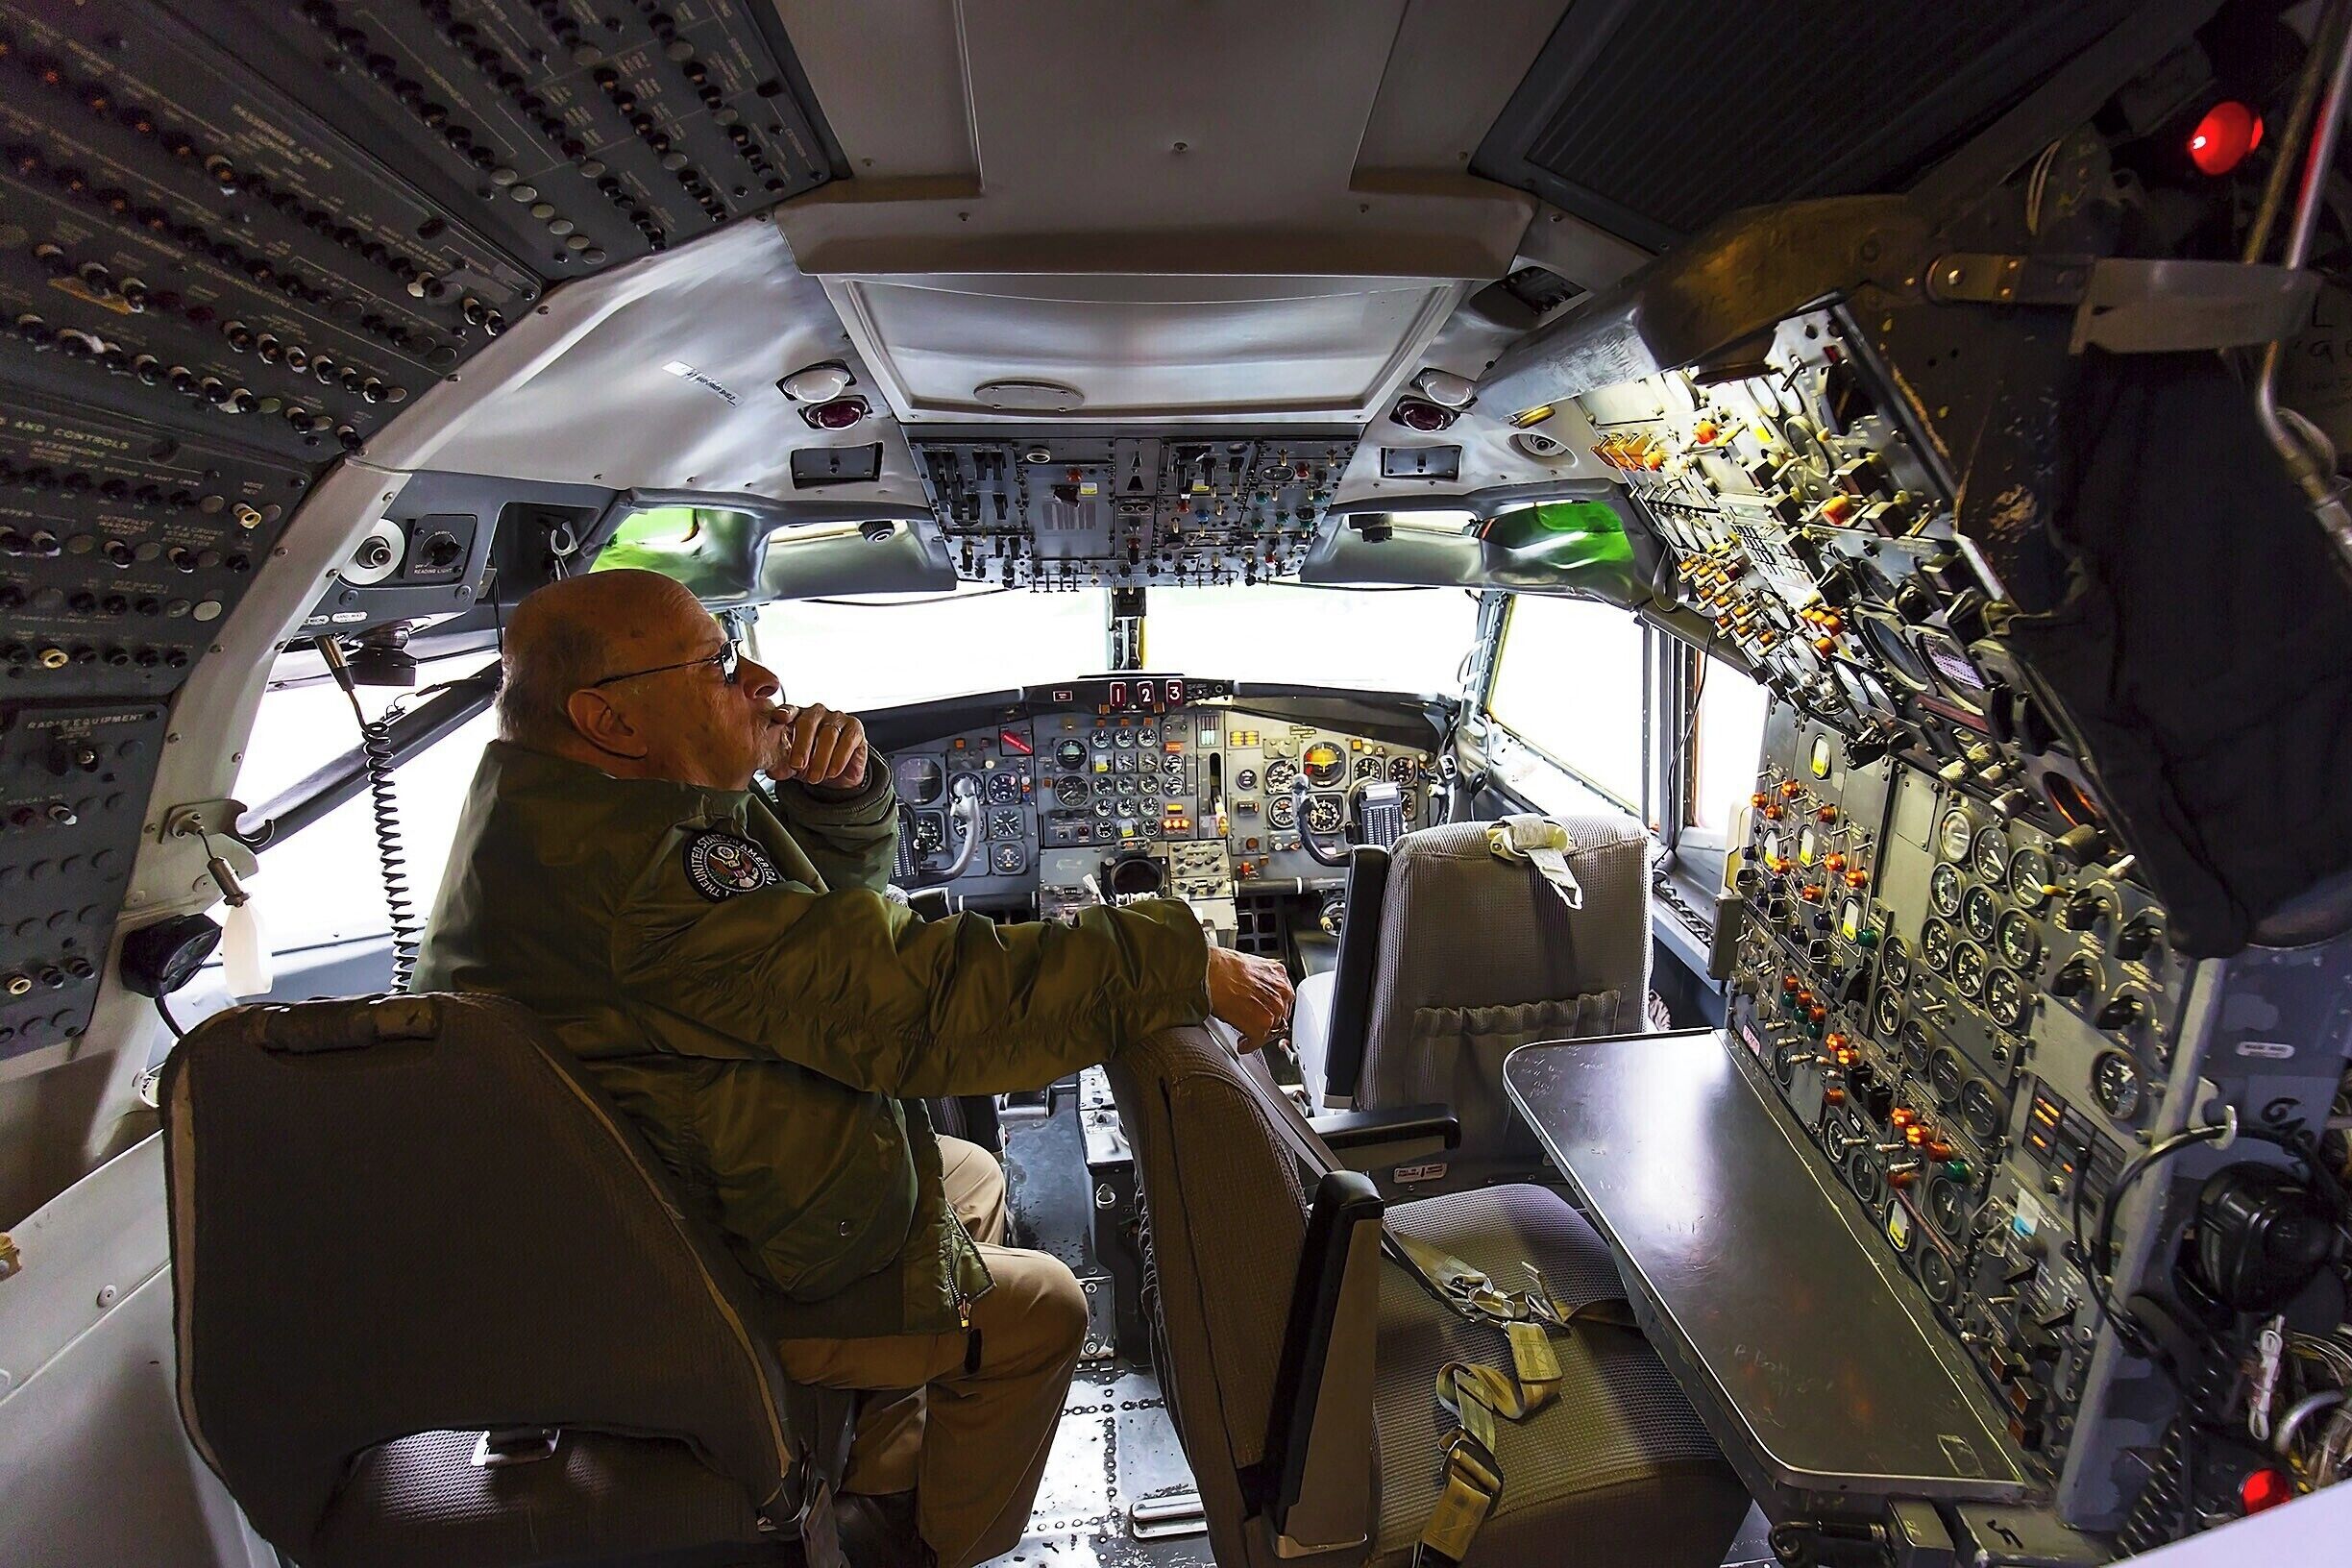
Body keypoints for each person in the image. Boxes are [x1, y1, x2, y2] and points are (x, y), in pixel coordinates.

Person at [415, 569, 1293, 1568]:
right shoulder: (637, 880)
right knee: (1047, 1308)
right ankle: (921, 1546)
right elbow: (920, 1006)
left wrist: (838, 805)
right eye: (717, 663)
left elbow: (787, 953)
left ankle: (878, 1459)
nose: (761, 677)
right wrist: (1179, 957)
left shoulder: (582, 817)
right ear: (608, 718)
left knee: (970, 1174)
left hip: (648, 1211)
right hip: (690, 1285)